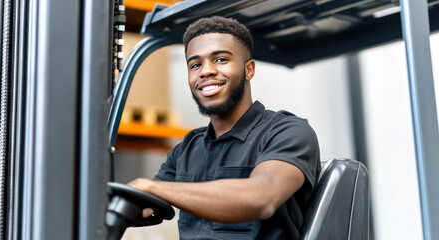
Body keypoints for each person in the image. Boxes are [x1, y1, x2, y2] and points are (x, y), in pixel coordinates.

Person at [128, 16, 320, 240]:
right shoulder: (186, 151)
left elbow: (261, 198)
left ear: (249, 70)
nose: (206, 71)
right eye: (195, 64)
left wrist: (150, 187)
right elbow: (145, 204)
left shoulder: (287, 132)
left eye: (220, 59)